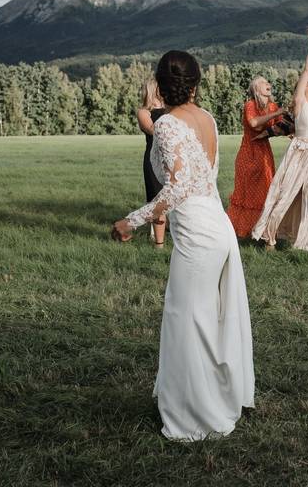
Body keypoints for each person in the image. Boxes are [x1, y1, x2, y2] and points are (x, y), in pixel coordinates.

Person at [111, 50, 254, 442]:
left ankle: (195, 414)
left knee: (186, 318)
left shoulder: (169, 125)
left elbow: (176, 186)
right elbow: (204, 177)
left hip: (196, 231)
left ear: (159, 84)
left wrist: (132, 221)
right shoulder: (206, 117)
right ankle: (209, 394)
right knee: (206, 317)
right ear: (196, 82)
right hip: (216, 223)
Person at [252, 26, 308, 251]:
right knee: (285, 193)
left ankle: (305, 243)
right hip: (299, 150)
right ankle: (269, 236)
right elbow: (306, 70)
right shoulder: (300, 102)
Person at [226, 76, 285, 238]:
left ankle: (263, 231)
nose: (268, 84)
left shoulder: (273, 106)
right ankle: (241, 231)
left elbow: (281, 127)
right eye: (263, 82)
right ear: (255, 89)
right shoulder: (250, 105)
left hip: (265, 153)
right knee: (246, 193)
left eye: (268, 82)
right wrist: (277, 113)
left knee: (266, 191)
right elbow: (253, 124)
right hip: (248, 152)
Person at [137, 78, 168, 248]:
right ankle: (159, 244)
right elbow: (152, 129)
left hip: (173, 157)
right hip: (153, 159)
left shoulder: (172, 108)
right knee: (157, 200)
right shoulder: (143, 112)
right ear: (152, 89)